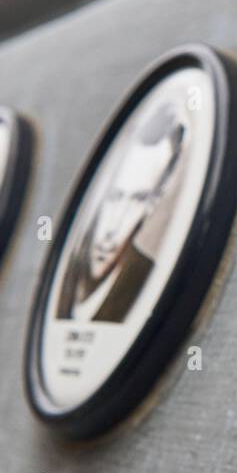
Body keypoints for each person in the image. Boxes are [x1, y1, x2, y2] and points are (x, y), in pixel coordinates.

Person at [56, 103, 185, 322]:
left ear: (154, 203)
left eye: (138, 200)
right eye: (115, 197)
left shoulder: (150, 279)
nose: (114, 226)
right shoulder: (62, 277)